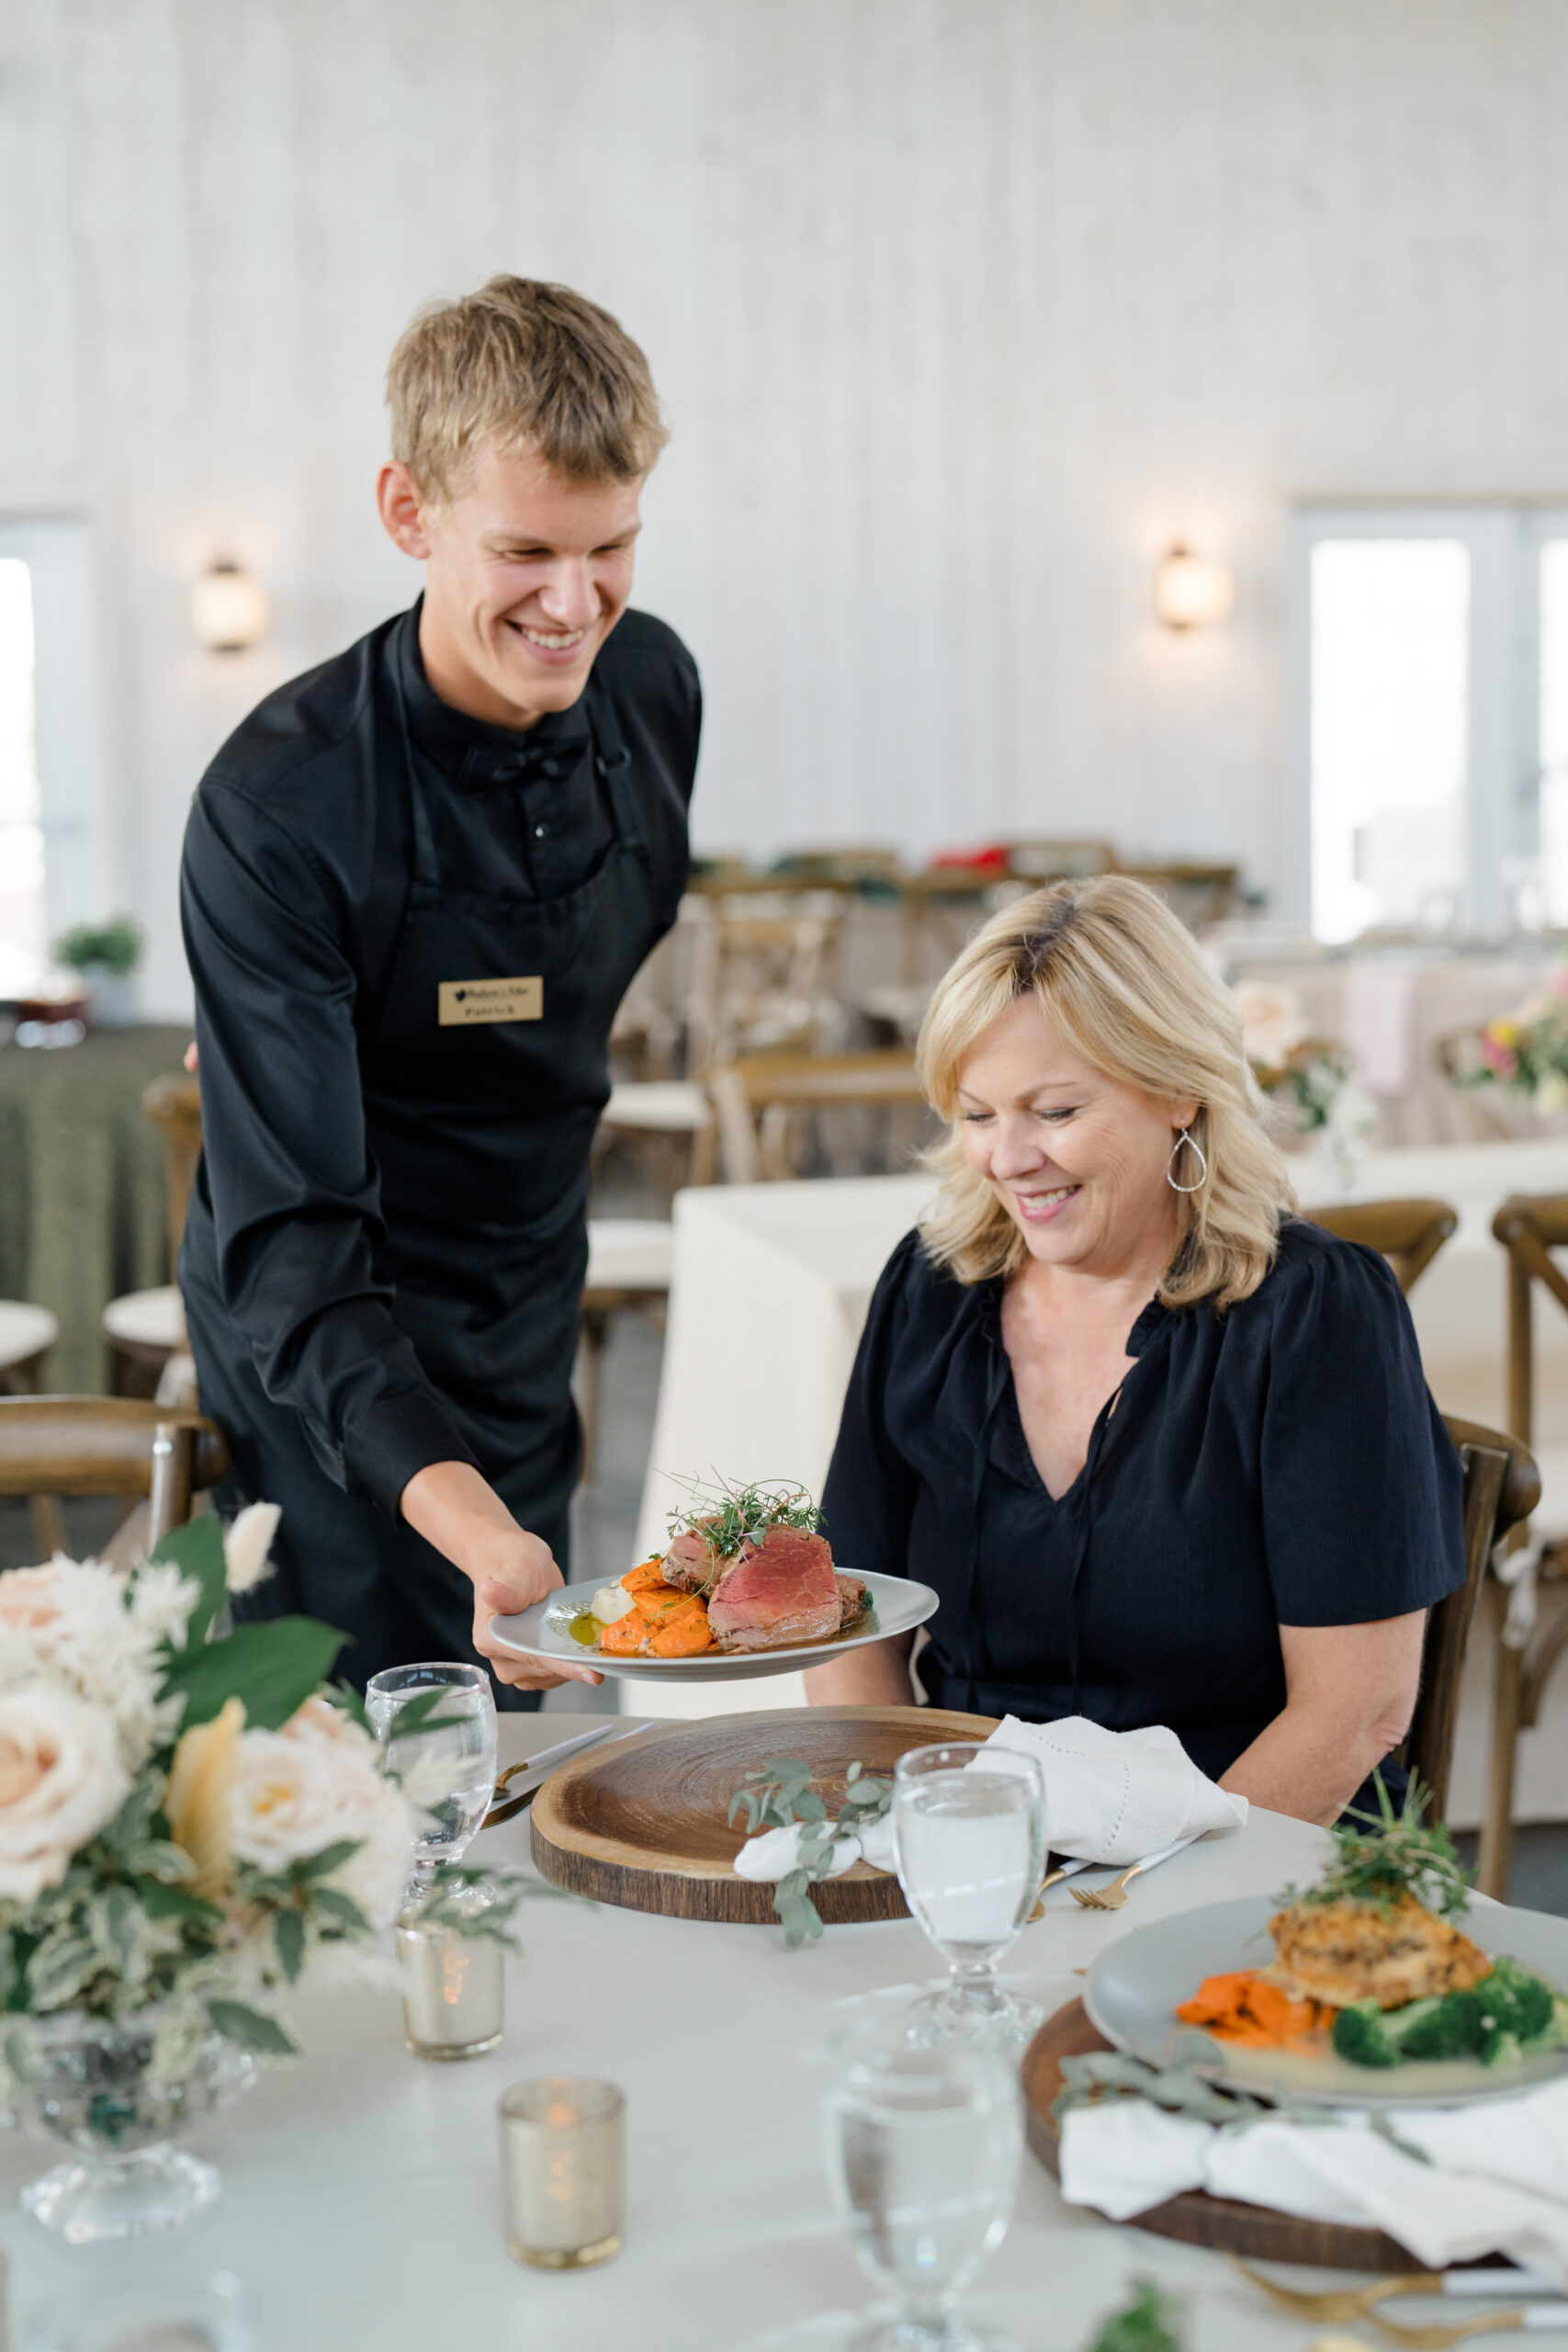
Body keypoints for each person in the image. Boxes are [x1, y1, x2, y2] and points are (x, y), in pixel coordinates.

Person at [179, 277, 699, 1708]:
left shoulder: (654, 695)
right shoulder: (280, 806)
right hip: (328, 1353)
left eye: (612, 548)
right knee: (376, 1764)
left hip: (530, 1296)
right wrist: (466, 1520)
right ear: (408, 513)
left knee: (533, 1757)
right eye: (524, 550)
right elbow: (289, 1251)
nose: (573, 603)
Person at [806, 877, 1465, 1825]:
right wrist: (918, 1835)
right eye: (980, 1113)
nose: (1009, 1158)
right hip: (986, 1846)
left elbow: (1353, 1714)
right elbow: (847, 1624)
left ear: (1180, 1090)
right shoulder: (931, 1289)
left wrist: (1129, 1897)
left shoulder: (1315, 1313)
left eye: (1056, 1111)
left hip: (1255, 1847)